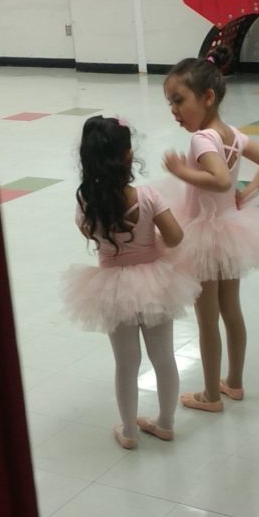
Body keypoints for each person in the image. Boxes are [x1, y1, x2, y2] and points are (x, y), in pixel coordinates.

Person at [61, 116, 200, 449]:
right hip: (156, 283)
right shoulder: (148, 196)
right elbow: (176, 237)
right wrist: (150, 241)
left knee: (126, 363)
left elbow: (90, 235)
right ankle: (165, 424)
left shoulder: (85, 203)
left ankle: (128, 431)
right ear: (128, 156)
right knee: (163, 357)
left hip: (111, 287)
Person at [163, 48, 259, 412]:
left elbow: (218, 180)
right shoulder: (232, 134)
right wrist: (248, 192)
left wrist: (182, 172)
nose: (174, 110)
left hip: (204, 236)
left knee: (207, 320)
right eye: (170, 102)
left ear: (208, 97)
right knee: (231, 311)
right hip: (231, 231)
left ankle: (211, 396)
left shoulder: (202, 139)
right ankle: (234, 382)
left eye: (179, 100)